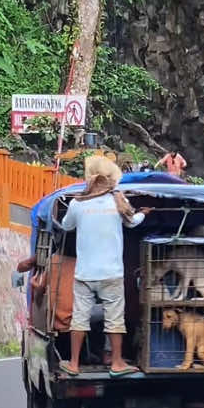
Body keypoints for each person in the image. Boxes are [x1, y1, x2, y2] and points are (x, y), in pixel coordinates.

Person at [56, 155, 149, 376]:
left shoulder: (77, 203)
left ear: (90, 179)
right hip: (112, 273)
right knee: (114, 318)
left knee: (80, 318)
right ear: (110, 179)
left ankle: (74, 364)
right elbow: (132, 222)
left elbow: (66, 226)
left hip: (85, 273)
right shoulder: (117, 201)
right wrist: (144, 214)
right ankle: (117, 363)